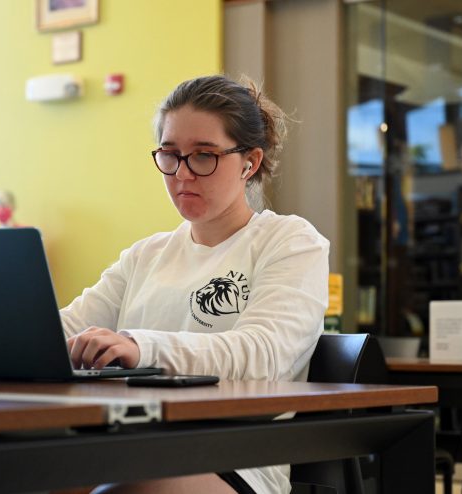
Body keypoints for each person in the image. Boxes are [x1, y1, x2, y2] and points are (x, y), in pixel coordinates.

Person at [60, 74, 330, 494]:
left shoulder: (290, 242)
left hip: (233, 465)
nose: (182, 174)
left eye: (203, 156)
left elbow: (263, 355)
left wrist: (141, 346)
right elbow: (64, 332)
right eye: (170, 155)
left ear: (249, 162)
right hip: (124, 447)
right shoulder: (145, 255)